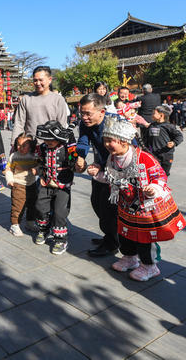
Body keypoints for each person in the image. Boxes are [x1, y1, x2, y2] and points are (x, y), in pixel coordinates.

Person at [90, 116, 186, 281]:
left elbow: (160, 175)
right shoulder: (112, 158)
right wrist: (98, 174)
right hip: (125, 206)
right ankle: (130, 257)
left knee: (144, 238)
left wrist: (153, 188)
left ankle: (150, 266)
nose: (106, 145)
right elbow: (111, 178)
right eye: (105, 141)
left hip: (144, 207)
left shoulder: (144, 158)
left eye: (110, 141)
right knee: (125, 234)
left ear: (124, 141)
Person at [75, 93, 122, 257]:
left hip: (118, 170)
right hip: (100, 168)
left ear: (102, 112)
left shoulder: (115, 123)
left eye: (88, 113)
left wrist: (100, 165)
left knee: (109, 208)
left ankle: (112, 243)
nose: (84, 117)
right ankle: (110, 236)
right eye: (82, 113)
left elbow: (123, 151)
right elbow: (83, 140)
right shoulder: (85, 123)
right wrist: (80, 156)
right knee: (96, 202)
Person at [33, 121, 78, 255]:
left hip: (62, 185)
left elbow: (73, 160)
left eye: (50, 140)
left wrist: (71, 144)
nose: (47, 143)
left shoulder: (66, 147)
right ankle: (44, 230)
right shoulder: (42, 148)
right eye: (45, 140)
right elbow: (40, 161)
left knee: (60, 212)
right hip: (45, 182)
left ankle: (60, 239)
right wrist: (40, 173)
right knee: (40, 207)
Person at [11, 66, 68, 145]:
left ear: (49, 80)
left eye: (41, 80)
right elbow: (19, 123)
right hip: (29, 145)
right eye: (35, 80)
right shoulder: (26, 99)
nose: (38, 83)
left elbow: (62, 124)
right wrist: (14, 143)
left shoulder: (58, 100)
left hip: (51, 145)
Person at [4, 133, 39, 236]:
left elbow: (40, 166)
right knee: (18, 205)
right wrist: (9, 179)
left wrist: (36, 170)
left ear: (31, 146)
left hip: (31, 184)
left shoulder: (33, 156)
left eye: (24, 145)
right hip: (18, 184)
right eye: (18, 145)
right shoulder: (14, 156)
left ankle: (30, 222)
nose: (21, 148)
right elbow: (8, 169)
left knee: (32, 204)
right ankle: (15, 225)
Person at [144, 106, 184, 176]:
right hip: (154, 154)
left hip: (166, 155)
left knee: (164, 174)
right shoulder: (151, 125)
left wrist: (174, 143)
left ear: (161, 115)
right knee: (154, 173)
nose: (152, 115)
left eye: (154, 113)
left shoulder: (169, 126)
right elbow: (146, 138)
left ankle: (162, 186)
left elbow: (179, 136)